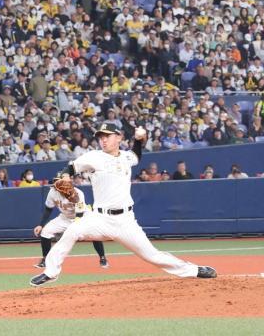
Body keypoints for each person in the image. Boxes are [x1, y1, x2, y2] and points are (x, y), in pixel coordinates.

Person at [30, 121, 215, 286]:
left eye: (107, 136)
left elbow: (136, 155)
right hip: (99, 217)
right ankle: (50, 272)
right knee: (72, 231)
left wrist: (139, 139)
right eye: (100, 137)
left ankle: (195, 271)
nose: (103, 140)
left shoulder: (126, 157)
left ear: (118, 137)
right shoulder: (94, 157)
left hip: (125, 220)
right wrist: (65, 177)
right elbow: (70, 167)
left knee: (152, 256)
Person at [33, 177, 107, 269]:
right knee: (46, 232)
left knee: (94, 233)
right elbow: (48, 209)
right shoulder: (52, 192)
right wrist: (41, 225)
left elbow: (79, 214)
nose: (55, 187)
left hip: (83, 216)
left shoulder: (78, 193)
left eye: (58, 185)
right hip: (65, 217)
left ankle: (102, 257)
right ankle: (45, 260)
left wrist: (74, 229)